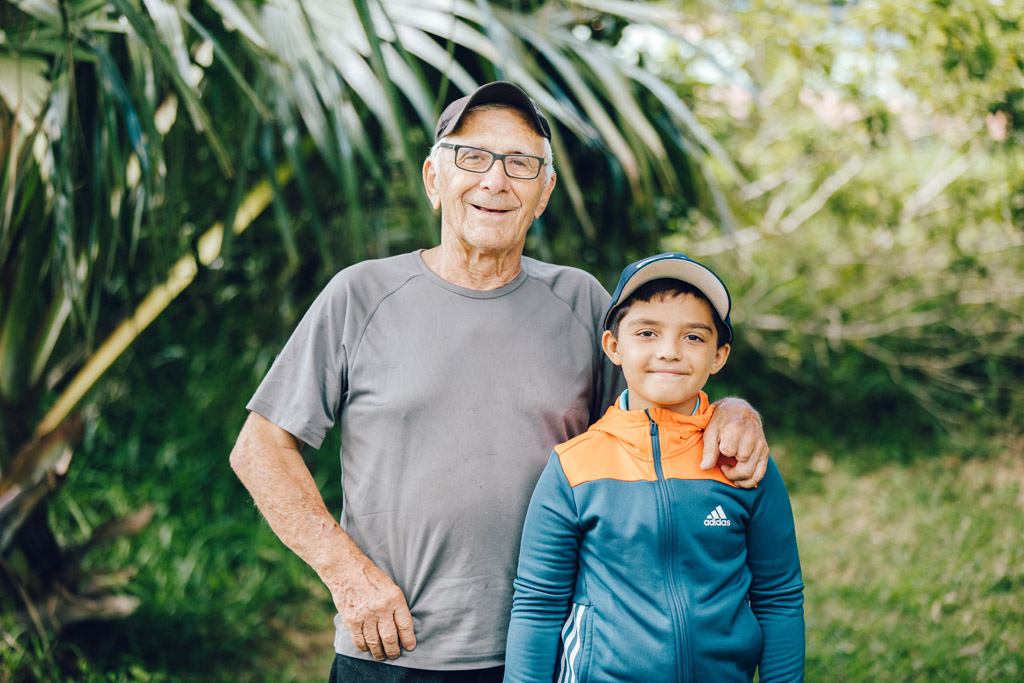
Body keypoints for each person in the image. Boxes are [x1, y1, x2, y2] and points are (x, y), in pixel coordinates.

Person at [228, 82, 771, 681]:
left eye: (520, 164)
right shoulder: (361, 295)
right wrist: (348, 575)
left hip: (553, 649)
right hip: (391, 649)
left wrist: (733, 411)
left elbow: (663, 407)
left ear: (544, 193)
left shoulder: (582, 302)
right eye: (473, 157)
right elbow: (259, 448)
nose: (495, 180)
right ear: (434, 179)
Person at [504, 252, 805, 682]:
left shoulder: (743, 461)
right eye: (647, 332)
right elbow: (538, 607)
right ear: (614, 346)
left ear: (719, 356)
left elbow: (779, 598)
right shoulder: (574, 467)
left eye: (694, 337)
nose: (669, 352)